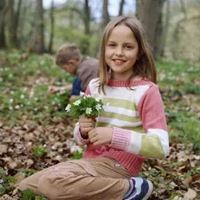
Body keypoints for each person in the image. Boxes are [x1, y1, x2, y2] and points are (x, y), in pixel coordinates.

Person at [16, 16, 169, 200]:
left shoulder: (146, 91)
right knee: (23, 187)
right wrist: (82, 130)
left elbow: (161, 146)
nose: (119, 52)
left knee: (51, 182)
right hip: (90, 162)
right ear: (103, 48)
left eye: (128, 47)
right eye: (112, 45)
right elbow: (81, 136)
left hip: (119, 167)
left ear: (140, 52)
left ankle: (131, 189)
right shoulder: (95, 86)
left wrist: (114, 136)